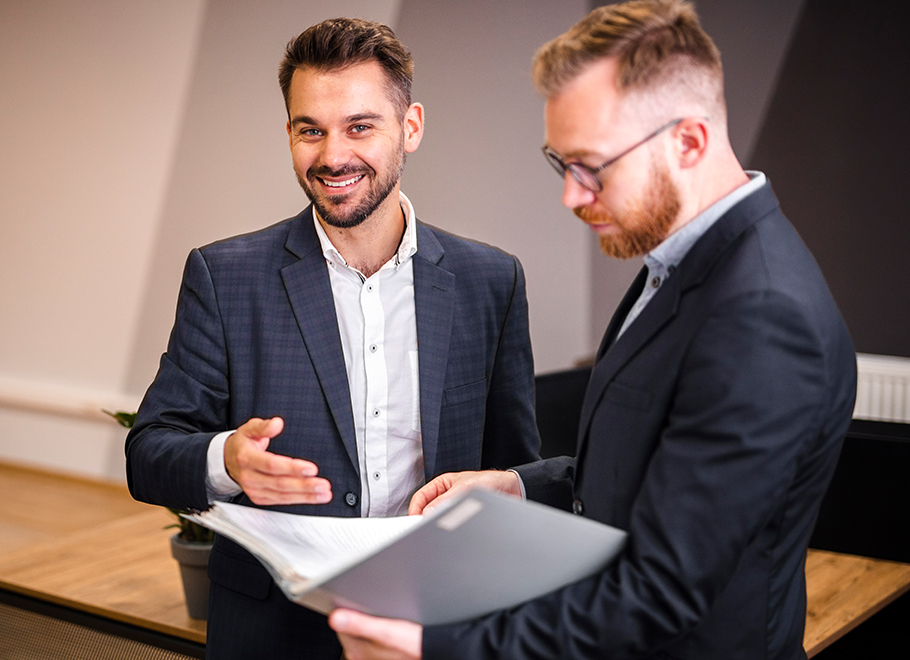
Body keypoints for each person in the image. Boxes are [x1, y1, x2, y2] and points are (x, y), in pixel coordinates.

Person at [328, 2, 857, 658]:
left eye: (592, 166)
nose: (572, 196)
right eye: (563, 164)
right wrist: (522, 485)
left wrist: (435, 645)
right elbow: (652, 469)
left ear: (689, 142)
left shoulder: (763, 316)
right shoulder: (680, 264)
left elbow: (660, 591)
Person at [125, 17, 539, 659]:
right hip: (273, 633)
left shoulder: (491, 280)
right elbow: (149, 453)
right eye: (310, 130)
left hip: (437, 623)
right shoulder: (223, 275)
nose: (332, 156)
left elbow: (514, 471)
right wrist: (227, 460)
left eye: (360, 126)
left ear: (411, 127)